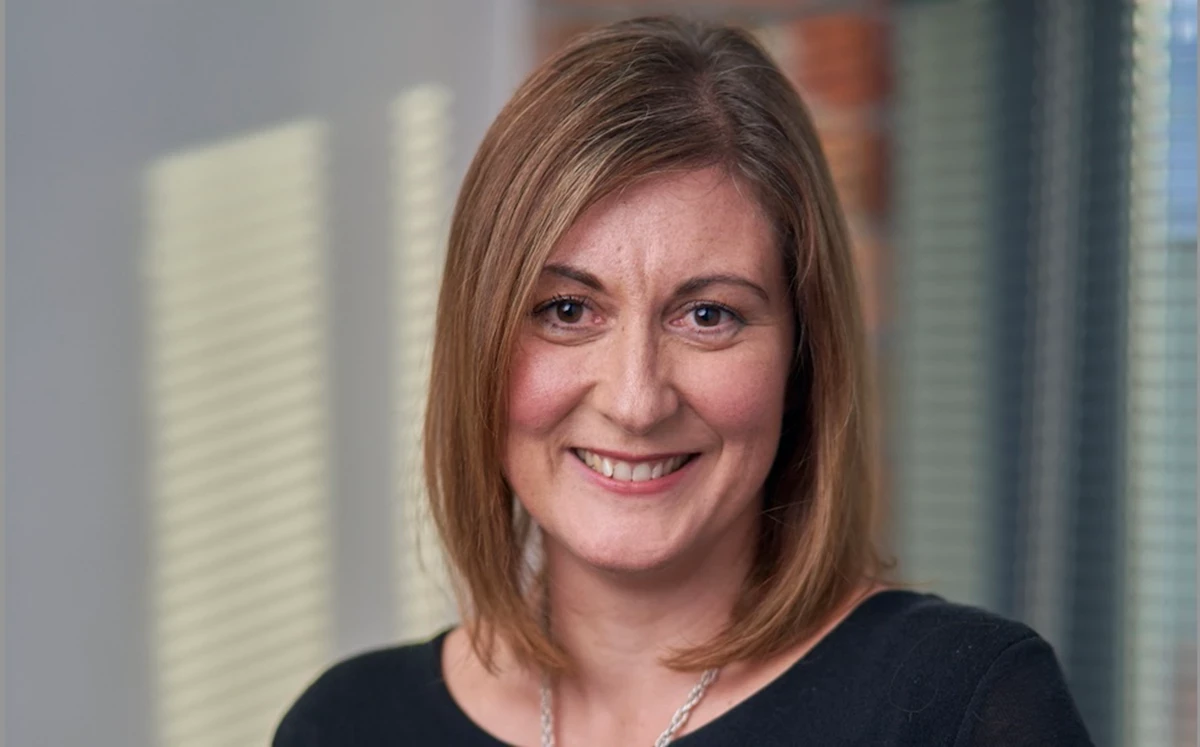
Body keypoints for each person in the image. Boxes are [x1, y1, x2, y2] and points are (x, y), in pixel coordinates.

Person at [273, 16, 1092, 746]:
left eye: (708, 315)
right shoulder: (346, 725)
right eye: (566, 309)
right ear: (477, 345)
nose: (636, 400)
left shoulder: (961, 708)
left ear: (801, 357)